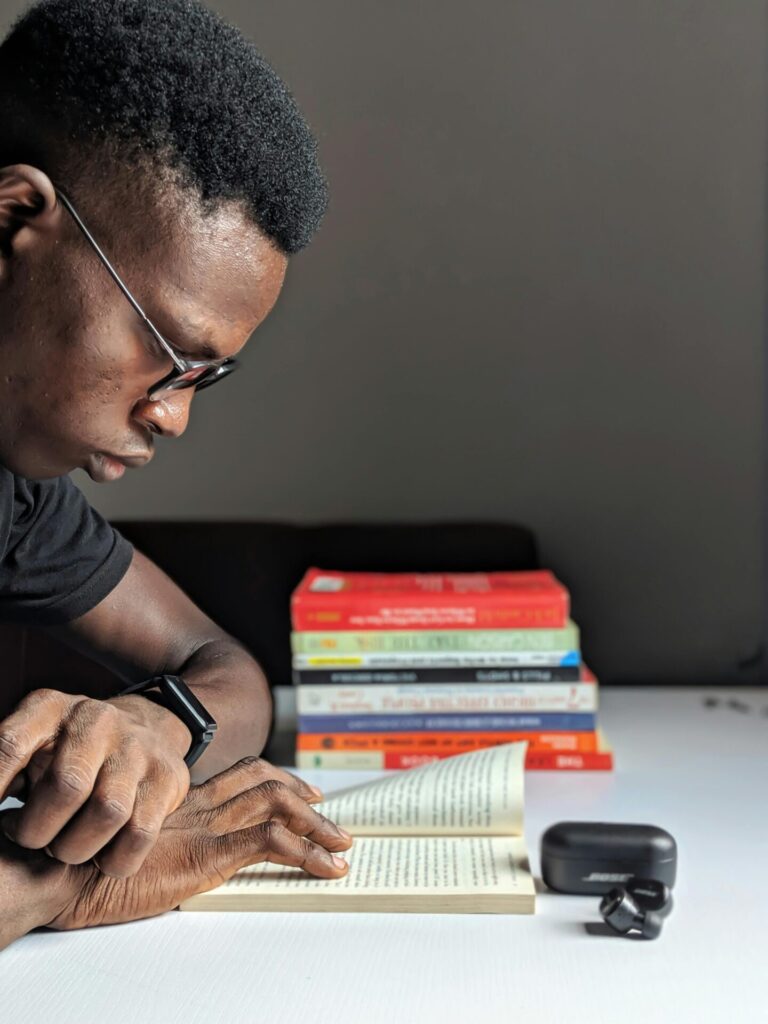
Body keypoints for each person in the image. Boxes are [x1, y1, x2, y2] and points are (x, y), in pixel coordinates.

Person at [0, 0, 352, 951]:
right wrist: (60, 886)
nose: (174, 413)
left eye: (207, 377)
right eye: (167, 352)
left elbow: (230, 673)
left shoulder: (15, 502)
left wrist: (157, 725)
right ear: (14, 220)